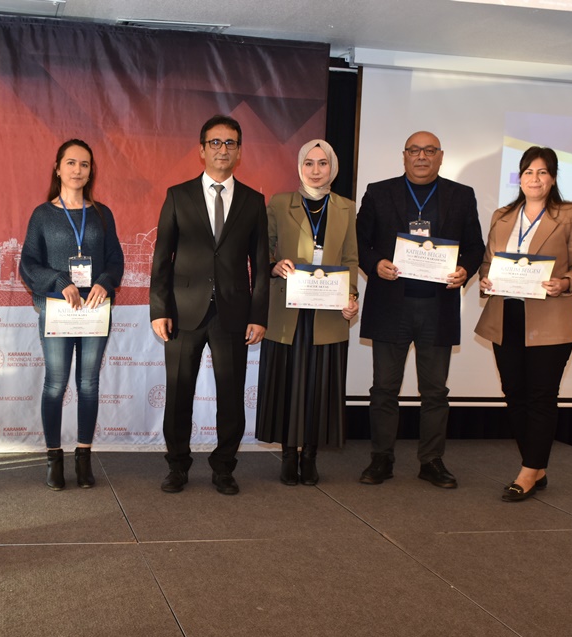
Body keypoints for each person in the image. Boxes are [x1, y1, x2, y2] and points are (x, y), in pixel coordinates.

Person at [150, 114, 270, 495]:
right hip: (183, 312)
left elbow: (261, 264)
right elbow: (161, 258)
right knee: (178, 393)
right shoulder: (178, 195)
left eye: (230, 143)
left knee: (231, 396)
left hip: (233, 313)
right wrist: (159, 310)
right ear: (202, 150)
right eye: (215, 143)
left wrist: (259, 315)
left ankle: (224, 467)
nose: (222, 149)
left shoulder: (253, 201)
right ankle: (177, 465)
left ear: (239, 152)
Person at [356, 131, 484, 488]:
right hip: (390, 306)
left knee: (435, 392)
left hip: (437, 308)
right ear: (404, 156)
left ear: (441, 156)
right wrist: (375, 263)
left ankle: (431, 461)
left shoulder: (461, 195)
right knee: (384, 388)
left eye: (429, 151)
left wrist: (465, 270)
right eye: (415, 150)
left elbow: (475, 246)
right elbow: (359, 241)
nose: (422, 156)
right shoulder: (378, 192)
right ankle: (381, 459)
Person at [476, 146, 572, 502]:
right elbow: (488, 262)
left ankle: (528, 471)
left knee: (541, 396)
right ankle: (537, 465)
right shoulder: (502, 216)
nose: (535, 179)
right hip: (505, 316)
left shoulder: (570, 214)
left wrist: (566, 282)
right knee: (514, 393)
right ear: (520, 177)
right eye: (528, 172)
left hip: (550, 319)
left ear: (553, 178)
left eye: (542, 172)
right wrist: (485, 279)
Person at [19, 139, 124, 490]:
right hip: (57, 311)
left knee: (89, 383)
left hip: (94, 310)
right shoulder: (42, 214)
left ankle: (83, 457)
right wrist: (59, 280)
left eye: (85, 164)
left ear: (91, 171)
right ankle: (53, 458)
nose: (78, 170)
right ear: (58, 167)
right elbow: (28, 263)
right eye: (71, 163)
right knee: (55, 383)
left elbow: (116, 260)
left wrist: (105, 282)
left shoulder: (102, 214)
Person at [256, 139, 359, 486]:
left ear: (333, 168)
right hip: (288, 311)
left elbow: (350, 259)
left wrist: (351, 296)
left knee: (319, 386)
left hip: (328, 312)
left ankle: (310, 456)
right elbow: (263, 250)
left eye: (323, 163)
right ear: (300, 167)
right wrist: (274, 265)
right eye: (309, 163)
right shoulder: (279, 203)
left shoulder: (346, 207)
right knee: (288, 384)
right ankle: (288, 454)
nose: (316, 170)